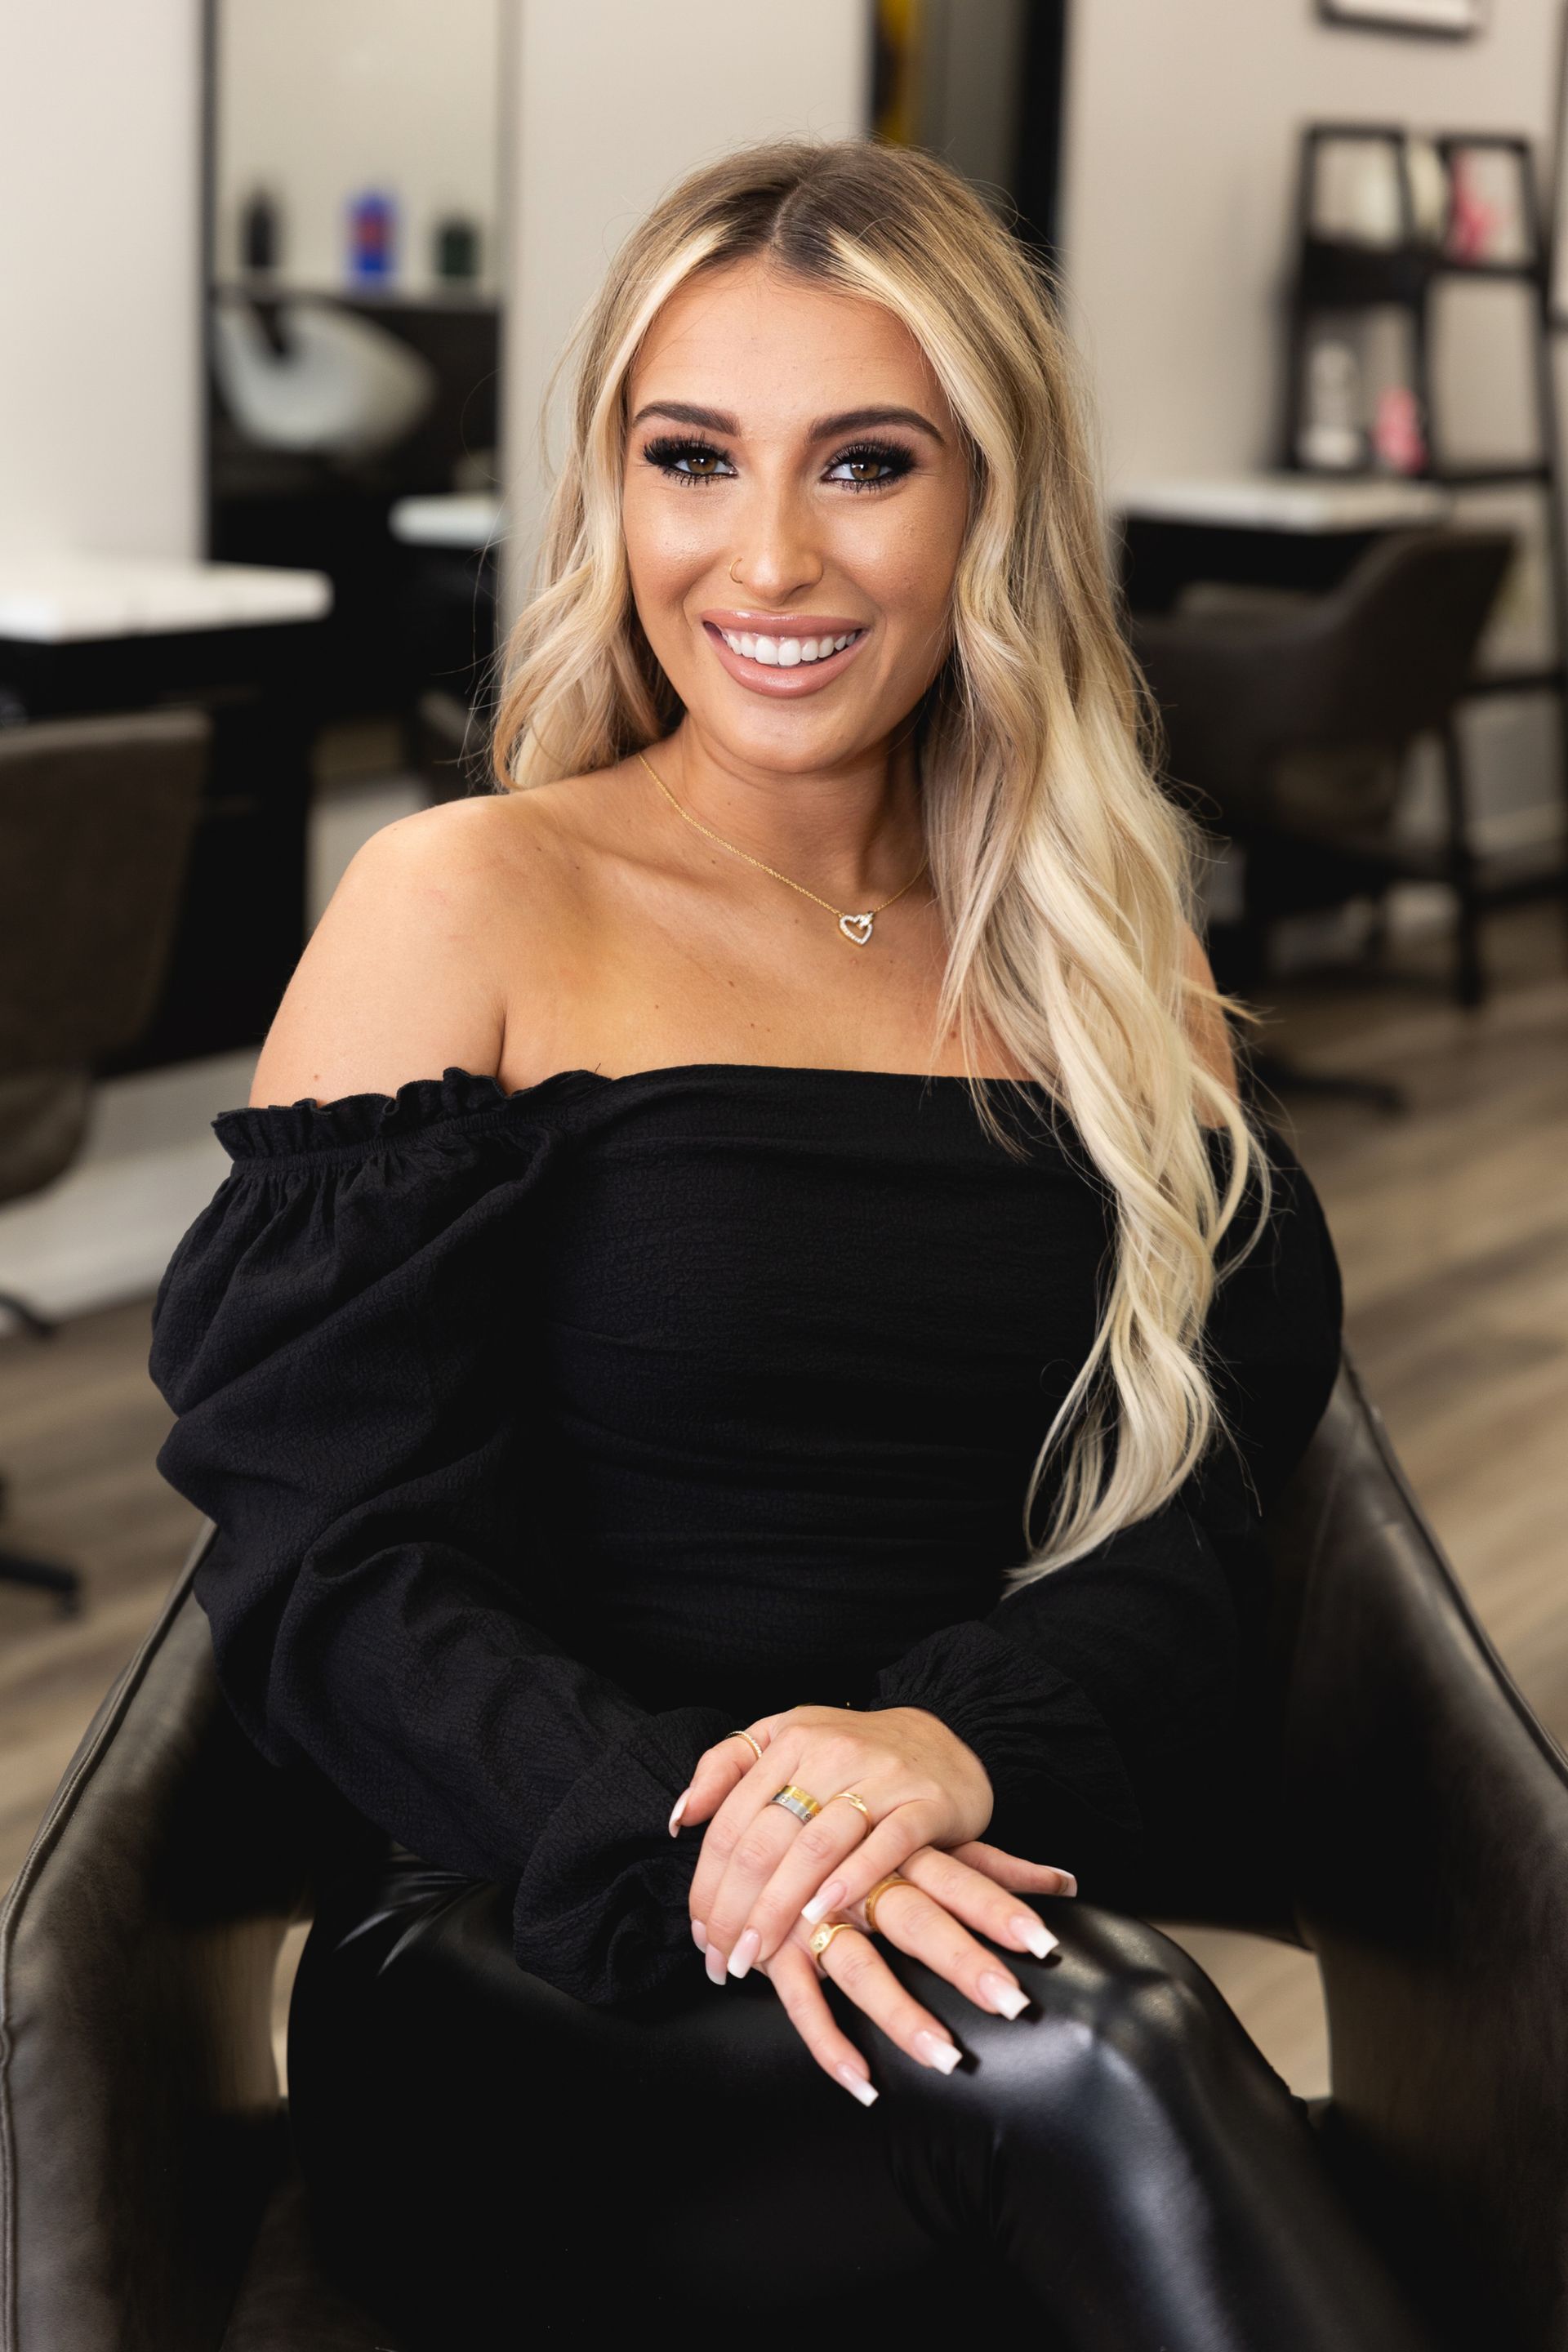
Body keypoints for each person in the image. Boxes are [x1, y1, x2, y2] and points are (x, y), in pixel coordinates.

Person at [149, 140, 1430, 2349]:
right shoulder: (466, 903)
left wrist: (945, 1749)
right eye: (689, 459)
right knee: (1096, 2059)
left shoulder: (1115, 975)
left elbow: (1196, 1530)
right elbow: (330, 1572)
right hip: (526, 1935)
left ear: (988, 510)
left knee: (1080, 2046)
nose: (767, 555)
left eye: (864, 463)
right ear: (610, 494)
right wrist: (709, 1834)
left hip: (971, 1909)